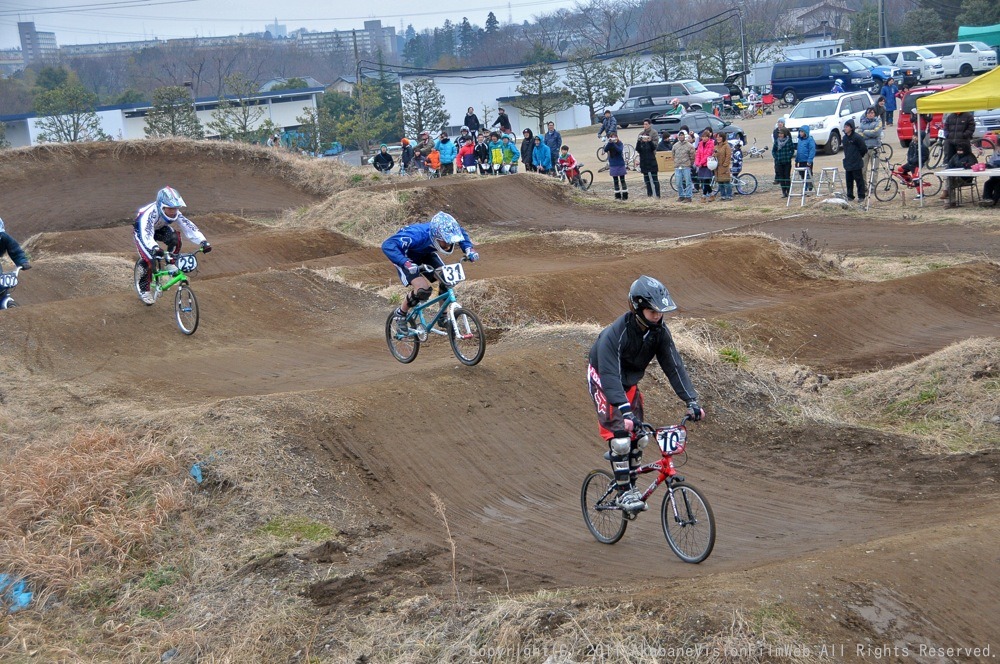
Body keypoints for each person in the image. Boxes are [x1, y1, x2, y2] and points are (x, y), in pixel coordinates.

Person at [587, 276, 704, 512]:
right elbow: (609, 376)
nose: (658, 316)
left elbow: (674, 366)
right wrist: (624, 411)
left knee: (640, 437)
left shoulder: (659, 332)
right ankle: (623, 494)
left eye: (661, 312)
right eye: (653, 311)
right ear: (638, 308)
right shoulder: (615, 334)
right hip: (604, 380)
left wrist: (691, 400)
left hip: (628, 383)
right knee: (620, 438)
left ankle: (631, 484)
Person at [382, 211, 479, 326]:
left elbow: (460, 232)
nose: (448, 245)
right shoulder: (416, 235)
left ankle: (442, 318)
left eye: (450, 241)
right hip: (405, 258)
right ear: (435, 236)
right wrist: (405, 262)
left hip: (425, 254)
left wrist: (469, 249)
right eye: (445, 241)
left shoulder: (445, 231)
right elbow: (387, 245)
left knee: (446, 279)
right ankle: (401, 313)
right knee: (423, 290)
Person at [133, 187, 211, 305]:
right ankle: (144, 290)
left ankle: (170, 263)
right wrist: (154, 247)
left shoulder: (174, 212)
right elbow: (147, 233)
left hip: (159, 228)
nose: (173, 212)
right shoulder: (149, 214)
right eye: (170, 209)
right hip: (142, 232)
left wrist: (203, 241)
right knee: (149, 259)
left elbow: (188, 226)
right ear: (161, 206)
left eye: (175, 208)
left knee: (175, 239)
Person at [941, 111, 976, 200]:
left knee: (964, 163)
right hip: (950, 143)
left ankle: (962, 181)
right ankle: (947, 189)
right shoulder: (950, 116)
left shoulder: (968, 116)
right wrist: (947, 135)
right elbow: (946, 127)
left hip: (963, 143)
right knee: (949, 165)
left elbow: (971, 128)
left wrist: (964, 135)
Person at [0, 216, 32, 304]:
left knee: (1, 283)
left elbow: (15, 250)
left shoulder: (4, 238)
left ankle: (3, 297)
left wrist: (22, 262)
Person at [894, 129, 930, 199]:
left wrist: (916, 161)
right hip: (910, 163)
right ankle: (908, 180)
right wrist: (909, 159)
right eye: (914, 136)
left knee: (916, 178)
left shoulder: (923, 147)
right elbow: (909, 153)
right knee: (900, 169)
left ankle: (921, 194)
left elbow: (925, 157)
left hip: (917, 165)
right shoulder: (912, 144)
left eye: (916, 137)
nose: (914, 137)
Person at [944, 142, 978, 209]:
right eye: (958, 150)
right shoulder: (955, 156)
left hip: (966, 178)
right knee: (949, 180)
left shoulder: (970, 156)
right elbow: (949, 166)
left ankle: (948, 199)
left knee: (949, 182)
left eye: (961, 150)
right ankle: (949, 199)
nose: (959, 152)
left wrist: (966, 165)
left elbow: (973, 166)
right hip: (956, 177)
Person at [841, 119, 868, 203]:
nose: (845, 128)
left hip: (856, 162)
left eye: (847, 126)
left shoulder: (857, 137)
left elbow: (863, 148)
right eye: (844, 127)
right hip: (848, 162)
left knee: (859, 180)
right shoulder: (844, 138)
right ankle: (850, 195)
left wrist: (859, 156)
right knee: (849, 180)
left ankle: (861, 195)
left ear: (851, 128)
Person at [858, 107, 883, 189]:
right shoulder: (862, 122)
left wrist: (865, 132)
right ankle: (864, 186)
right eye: (869, 113)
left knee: (874, 169)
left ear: (875, 114)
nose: (870, 114)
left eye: (872, 113)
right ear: (866, 114)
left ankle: (873, 187)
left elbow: (876, 132)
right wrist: (869, 134)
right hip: (864, 149)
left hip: (875, 148)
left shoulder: (878, 122)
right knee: (862, 169)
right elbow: (859, 134)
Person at [603, 131, 628, 200]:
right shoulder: (610, 144)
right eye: (612, 137)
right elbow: (605, 150)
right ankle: (617, 196)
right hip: (613, 164)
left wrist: (614, 144)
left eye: (615, 137)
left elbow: (619, 151)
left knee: (622, 180)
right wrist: (610, 143)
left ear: (617, 137)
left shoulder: (620, 143)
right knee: (615, 180)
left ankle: (625, 195)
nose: (613, 138)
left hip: (620, 164)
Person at [671, 130, 695, 202]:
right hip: (678, 166)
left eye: (682, 135)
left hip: (686, 166)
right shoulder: (675, 145)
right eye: (680, 135)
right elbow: (673, 155)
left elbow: (693, 156)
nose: (681, 136)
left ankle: (688, 196)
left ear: (685, 136)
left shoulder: (689, 146)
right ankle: (681, 195)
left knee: (688, 182)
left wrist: (690, 164)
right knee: (678, 182)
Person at [635, 132, 660, 198]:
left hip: (652, 164)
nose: (645, 138)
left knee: (655, 180)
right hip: (644, 164)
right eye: (643, 137)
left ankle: (658, 195)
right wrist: (639, 141)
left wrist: (650, 141)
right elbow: (637, 149)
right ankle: (650, 195)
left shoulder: (650, 143)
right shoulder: (641, 144)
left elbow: (653, 148)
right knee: (647, 181)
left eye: (646, 137)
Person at [772, 127, 795, 197]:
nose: (780, 135)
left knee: (787, 176)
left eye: (781, 133)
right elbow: (773, 150)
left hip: (787, 161)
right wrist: (776, 157)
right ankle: (783, 192)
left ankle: (788, 191)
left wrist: (789, 156)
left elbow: (792, 150)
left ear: (784, 134)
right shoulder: (777, 141)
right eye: (779, 133)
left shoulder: (789, 141)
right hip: (779, 162)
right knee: (781, 177)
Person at [694, 128, 716, 201]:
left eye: (705, 137)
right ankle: (711, 194)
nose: (704, 138)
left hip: (707, 164)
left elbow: (708, 155)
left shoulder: (711, 143)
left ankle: (703, 196)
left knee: (706, 180)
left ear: (708, 137)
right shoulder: (700, 144)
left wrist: (701, 163)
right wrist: (697, 162)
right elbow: (698, 154)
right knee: (703, 181)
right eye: (703, 137)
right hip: (701, 165)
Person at [713, 132, 733, 201]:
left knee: (726, 182)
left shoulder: (726, 146)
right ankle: (723, 195)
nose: (718, 138)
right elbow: (714, 155)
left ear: (723, 138)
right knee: (720, 182)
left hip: (724, 166)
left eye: (720, 137)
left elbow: (728, 155)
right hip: (717, 167)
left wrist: (725, 164)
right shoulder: (716, 146)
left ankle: (729, 195)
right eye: (717, 137)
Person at [795, 126, 816, 192]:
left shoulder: (810, 140)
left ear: (806, 132)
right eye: (800, 132)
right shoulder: (800, 140)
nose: (800, 133)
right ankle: (805, 188)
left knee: (808, 175)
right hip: (801, 161)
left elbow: (812, 150)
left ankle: (810, 188)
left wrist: (809, 160)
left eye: (802, 132)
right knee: (802, 174)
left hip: (807, 161)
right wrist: (796, 160)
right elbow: (798, 151)